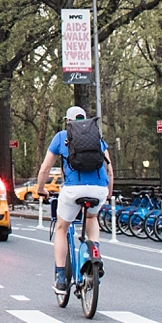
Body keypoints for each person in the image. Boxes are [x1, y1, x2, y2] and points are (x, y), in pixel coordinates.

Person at [35, 105, 113, 295]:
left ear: (67, 121)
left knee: (62, 228)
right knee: (91, 218)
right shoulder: (97, 138)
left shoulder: (61, 137)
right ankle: (93, 254)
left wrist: (40, 189)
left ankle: (61, 278)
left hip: (73, 189)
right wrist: (108, 192)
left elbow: (45, 169)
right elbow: (109, 170)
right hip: (99, 188)